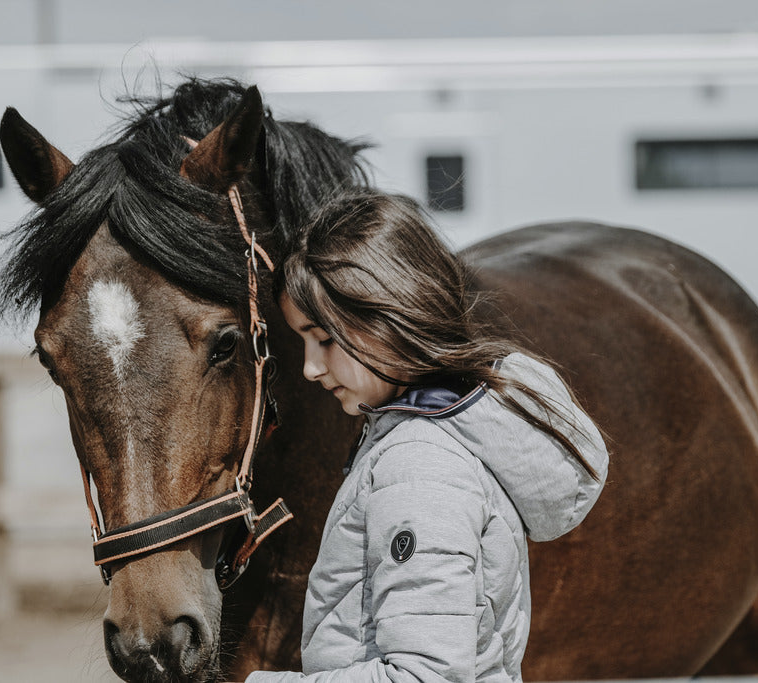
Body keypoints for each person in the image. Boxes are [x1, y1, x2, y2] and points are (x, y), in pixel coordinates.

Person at [246, 189, 608, 682]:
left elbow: (425, 676)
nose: (310, 368)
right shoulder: (422, 444)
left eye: (325, 338)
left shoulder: (420, 467)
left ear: (392, 317)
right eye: (304, 342)